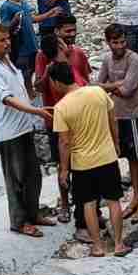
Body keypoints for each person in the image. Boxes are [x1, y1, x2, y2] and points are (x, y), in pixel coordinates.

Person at [0, 23, 55, 237]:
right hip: (8, 132)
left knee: (33, 175)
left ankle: (33, 213)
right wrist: (37, 111)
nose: (7, 43)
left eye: (8, 39)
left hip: (23, 127)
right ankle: (19, 221)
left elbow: (19, 91)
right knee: (16, 179)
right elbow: (8, 99)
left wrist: (34, 109)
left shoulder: (7, 62)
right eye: (2, 40)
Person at [49, 62, 131, 258]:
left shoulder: (61, 108)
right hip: (107, 156)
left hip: (82, 163)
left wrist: (64, 170)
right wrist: (116, 143)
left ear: (56, 82)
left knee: (88, 204)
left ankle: (98, 246)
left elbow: (64, 142)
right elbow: (113, 120)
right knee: (113, 201)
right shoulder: (97, 92)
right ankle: (119, 244)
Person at [36, 30, 91, 233]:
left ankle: (85, 209)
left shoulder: (77, 54)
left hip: (77, 117)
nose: (69, 39)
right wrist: (47, 72)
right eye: (64, 37)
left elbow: (86, 80)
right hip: (56, 119)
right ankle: (68, 205)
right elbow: (39, 87)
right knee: (63, 164)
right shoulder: (43, 57)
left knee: (80, 163)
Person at [96, 24, 138, 224]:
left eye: (121, 42)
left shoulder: (134, 59)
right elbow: (96, 86)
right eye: (114, 42)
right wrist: (115, 85)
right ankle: (136, 197)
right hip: (116, 116)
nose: (119, 46)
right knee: (129, 157)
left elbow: (127, 90)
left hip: (132, 115)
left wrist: (110, 86)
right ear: (108, 42)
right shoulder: (107, 59)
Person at [0, 0, 60, 97]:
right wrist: (14, 21)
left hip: (31, 42)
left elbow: (33, 19)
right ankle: (27, 93)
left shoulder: (23, 3)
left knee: (32, 68)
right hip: (19, 46)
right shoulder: (6, 7)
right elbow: (4, 28)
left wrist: (49, 14)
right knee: (23, 70)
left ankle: (29, 90)